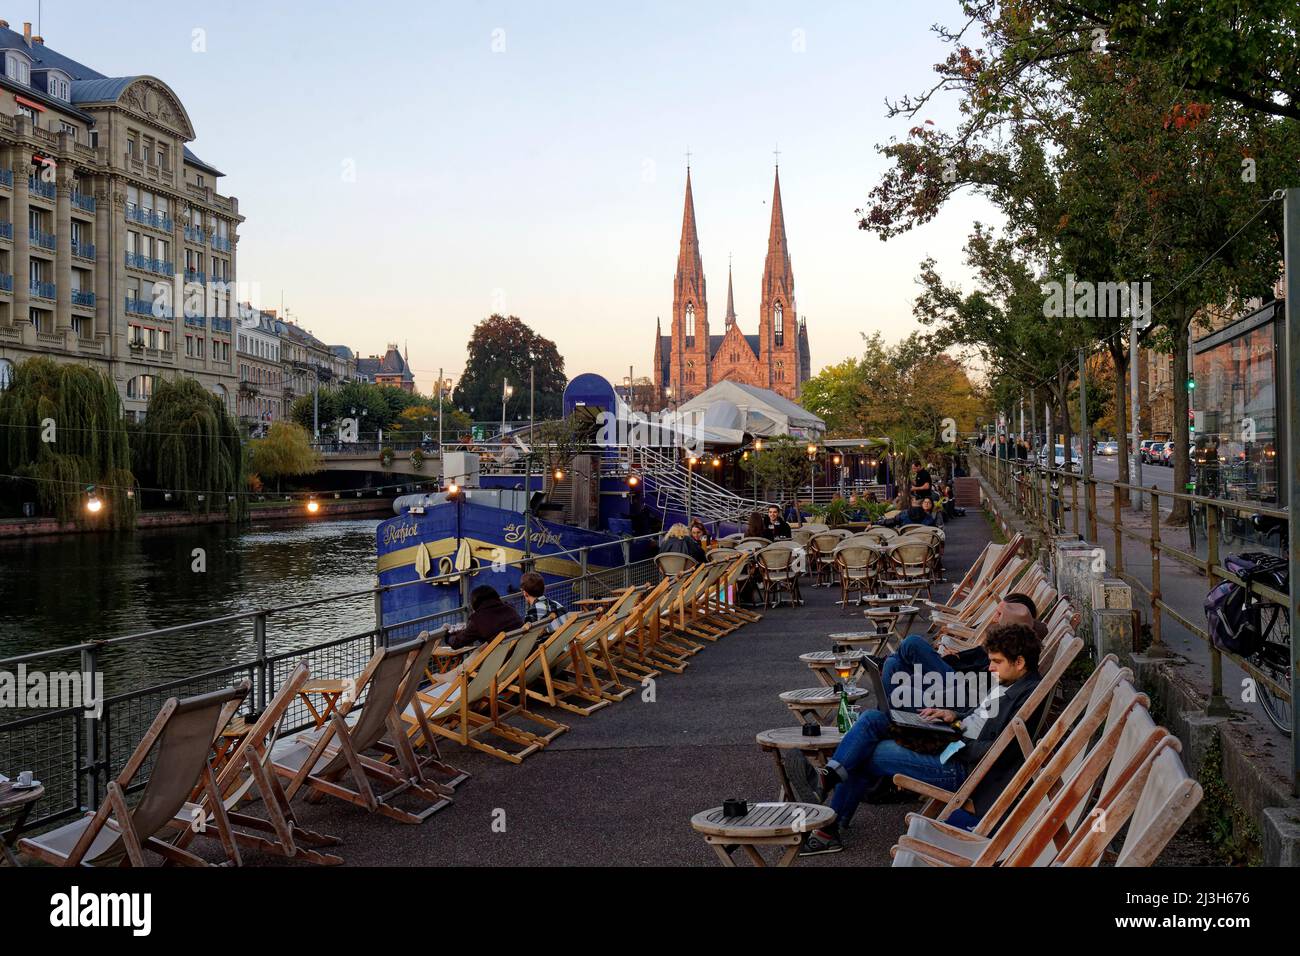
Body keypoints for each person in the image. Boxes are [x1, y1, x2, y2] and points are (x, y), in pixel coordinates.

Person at [802, 623, 1044, 855]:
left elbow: (999, 752)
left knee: (870, 753)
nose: (990, 668)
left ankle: (829, 825)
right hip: (952, 740)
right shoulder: (1009, 681)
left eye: (996, 662)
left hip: (961, 767)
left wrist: (953, 742)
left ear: (1020, 662)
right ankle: (829, 777)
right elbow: (980, 716)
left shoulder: (1028, 697)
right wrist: (953, 717)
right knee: (872, 719)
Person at [882, 593, 1041, 697]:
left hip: (962, 688)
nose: (993, 618)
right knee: (893, 664)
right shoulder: (1005, 645)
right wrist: (954, 658)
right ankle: (889, 718)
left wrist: (954, 661)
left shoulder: (1009, 650)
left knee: (912, 644)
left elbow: (982, 675)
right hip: (960, 680)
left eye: (999, 614)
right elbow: (977, 661)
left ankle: (889, 718)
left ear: (1010, 623)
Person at [449, 584, 524, 649]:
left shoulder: (479, 620)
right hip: (519, 654)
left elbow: (456, 643)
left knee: (469, 661)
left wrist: (448, 635)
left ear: (474, 602)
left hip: (500, 660)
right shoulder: (510, 609)